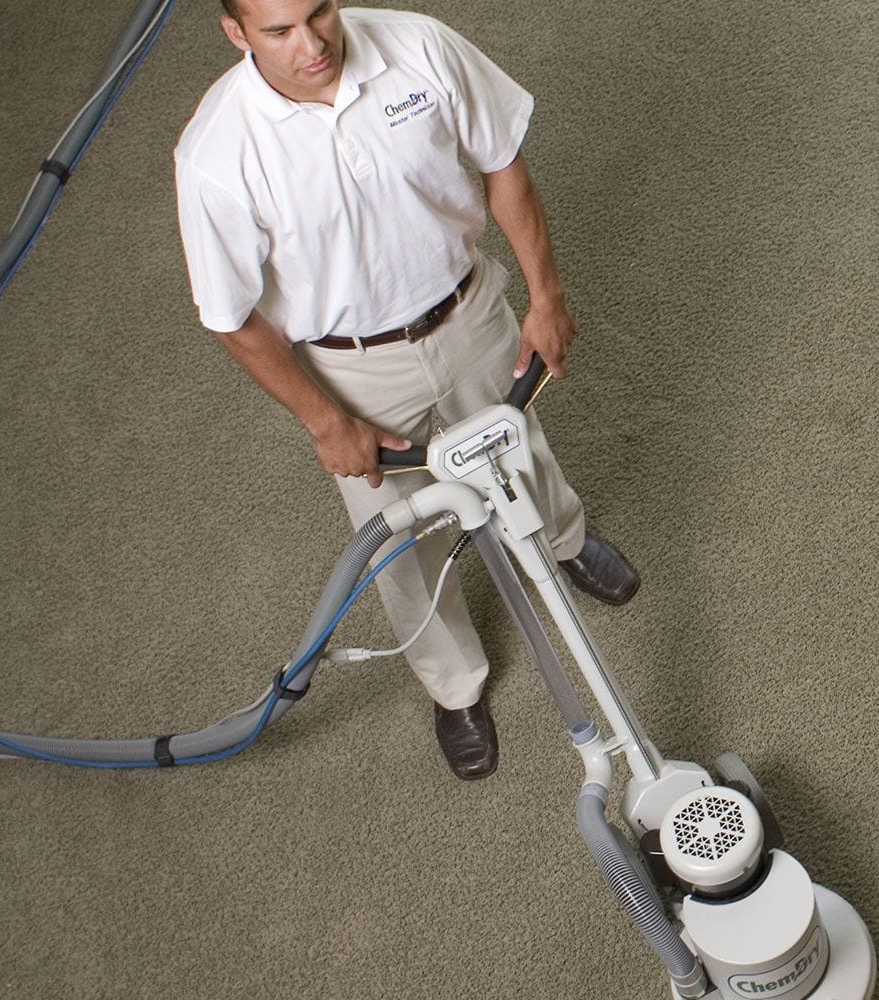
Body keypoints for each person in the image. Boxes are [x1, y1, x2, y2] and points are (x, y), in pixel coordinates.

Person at [174, 0, 636, 780]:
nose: (311, 42)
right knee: (401, 539)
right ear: (236, 34)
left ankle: (564, 542)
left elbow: (501, 162)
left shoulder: (417, 45)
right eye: (278, 31)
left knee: (517, 453)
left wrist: (545, 297)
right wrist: (326, 421)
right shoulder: (218, 154)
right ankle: (454, 683)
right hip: (354, 368)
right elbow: (232, 318)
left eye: (317, 12)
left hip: (470, 310)